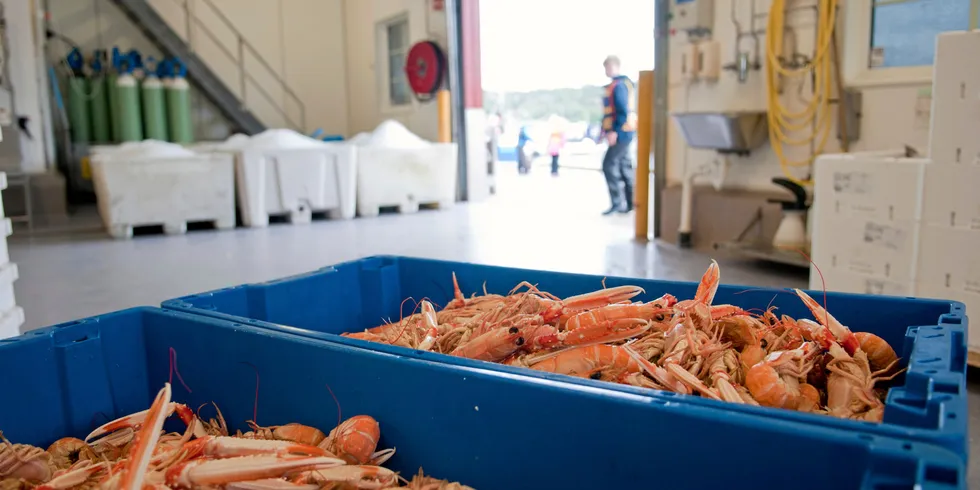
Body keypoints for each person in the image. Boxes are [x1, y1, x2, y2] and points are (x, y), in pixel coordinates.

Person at [600, 55, 637, 215]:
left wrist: (614, 131)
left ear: (615, 67)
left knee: (609, 165)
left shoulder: (619, 86)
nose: (606, 71)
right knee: (624, 166)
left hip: (622, 132)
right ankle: (630, 203)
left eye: (608, 67)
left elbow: (622, 111)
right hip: (625, 131)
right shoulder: (619, 85)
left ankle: (618, 203)